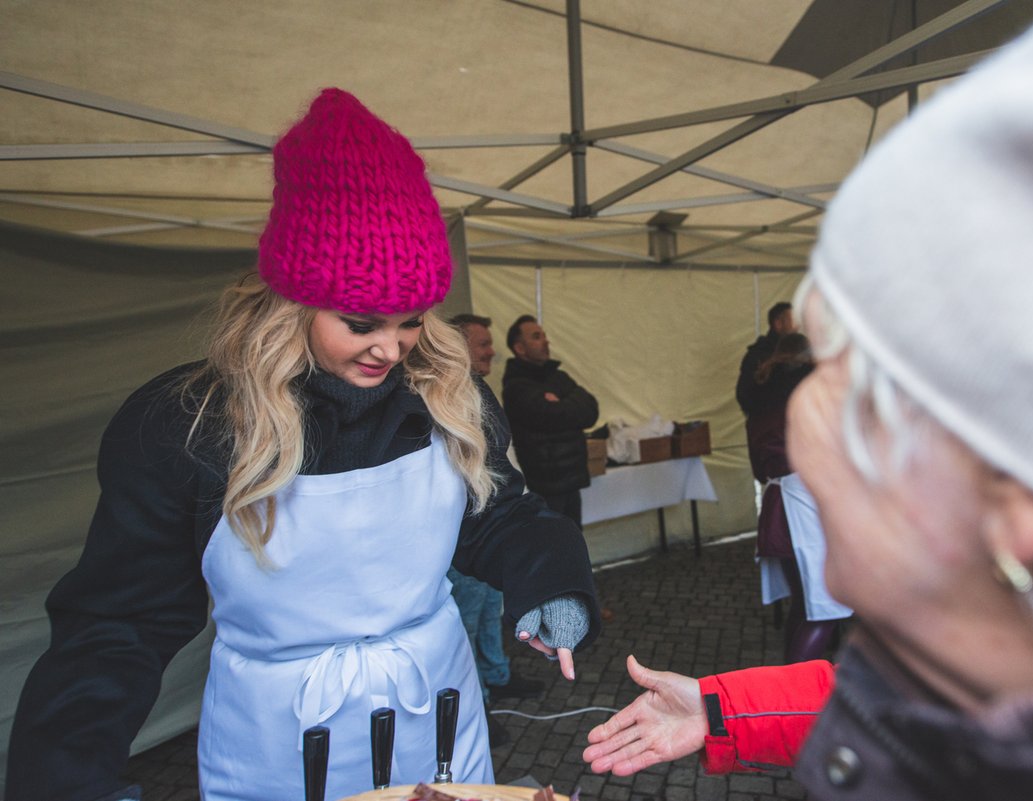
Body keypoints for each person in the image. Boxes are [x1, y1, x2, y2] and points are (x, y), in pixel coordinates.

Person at [582, 1, 1033, 798]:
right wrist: (721, 708)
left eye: (851, 375)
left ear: (1027, 498)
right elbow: (906, 703)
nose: (804, 428)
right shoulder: (1006, 662)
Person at [7, 88, 601, 801]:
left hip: (433, 719)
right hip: (278, 744)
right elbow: (118, 623)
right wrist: (66, 780)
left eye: (411, 319)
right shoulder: (190, 424)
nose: (391, 346)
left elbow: (499, 511)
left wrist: (551, 579)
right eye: (361, 320)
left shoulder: (448, 394)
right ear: (295, 297)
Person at [445, 313, 545, 748]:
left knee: (490, 609)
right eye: (482, 344)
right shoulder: (446, 393)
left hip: (493, 519)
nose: (491, 351)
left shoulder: (477, 387)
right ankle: (478, 704)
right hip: (469, 530)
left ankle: (496, 676)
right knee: (466, 621)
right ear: (456, 347)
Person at [748, 333, 840, 664]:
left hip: (779, 500)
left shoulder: (759, 396)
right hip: (805, 501)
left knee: (805, 606)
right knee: (824, 609)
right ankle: (793, 695)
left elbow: (759, 465)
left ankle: (790, 687)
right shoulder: (811, 391)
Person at [501, 315, 599, 527]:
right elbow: (548, 416)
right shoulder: (516, 387)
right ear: (519, 348)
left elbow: (591, 409)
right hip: (544, 486)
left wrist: (560, 404)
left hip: (571, 481)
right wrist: (568, 404)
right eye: (537, 337)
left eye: (544, 335)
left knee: (574, 539)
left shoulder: (558, 376)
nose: (546, 341)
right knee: (556, 544)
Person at [735, 301, 796, 418]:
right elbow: (743, 395)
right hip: (768, 427)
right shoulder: (758, 355)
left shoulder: (795, 351)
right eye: (793, 321)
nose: (797, 326)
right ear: (778, 324)